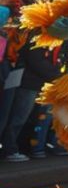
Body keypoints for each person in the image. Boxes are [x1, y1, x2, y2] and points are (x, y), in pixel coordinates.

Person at [2, 33, 61, 161]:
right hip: (29, 83)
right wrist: (59, 76)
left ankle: (21, 147)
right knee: (19, 118)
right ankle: (9, 149)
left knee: (31, 118)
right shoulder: (37, 36)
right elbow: (35, 60)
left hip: (39, 83)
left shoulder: (50, 36)